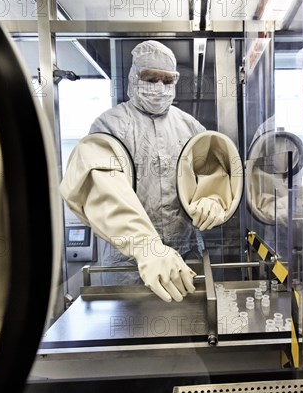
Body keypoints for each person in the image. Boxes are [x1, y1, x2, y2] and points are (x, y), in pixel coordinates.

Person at [61, 40, 225, 302]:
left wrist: (213, 197)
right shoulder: (109, 125)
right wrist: (146, 246)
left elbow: (213, 171)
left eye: (167, 80)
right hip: (127, 263)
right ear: (134, 78)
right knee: (128, 331)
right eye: (151, 78)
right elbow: (101, 186)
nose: (159, 87)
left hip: (184, 255)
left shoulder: (189, 127)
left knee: (185, 325)